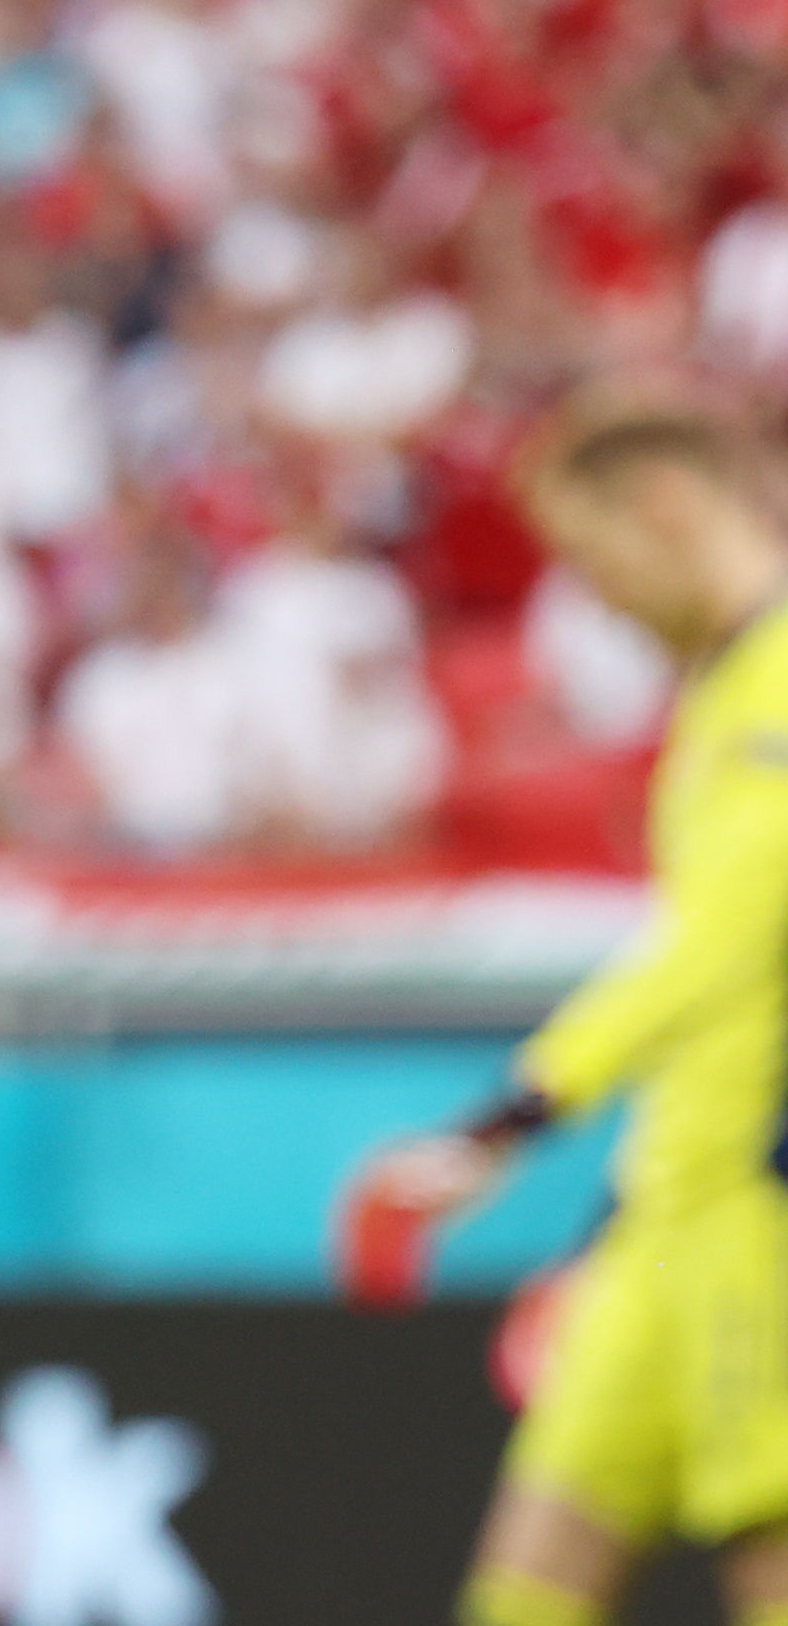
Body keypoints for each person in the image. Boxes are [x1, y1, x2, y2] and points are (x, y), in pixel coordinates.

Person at [351, 400, 788, 1626]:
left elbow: (722, 949)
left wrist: (510, 1115)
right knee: (527, 1589)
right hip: (665, 1221)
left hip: (764, 1228)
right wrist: (604, 1224)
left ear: (665, 509)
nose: (596, 604)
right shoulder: (722, 687)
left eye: (595, 564)